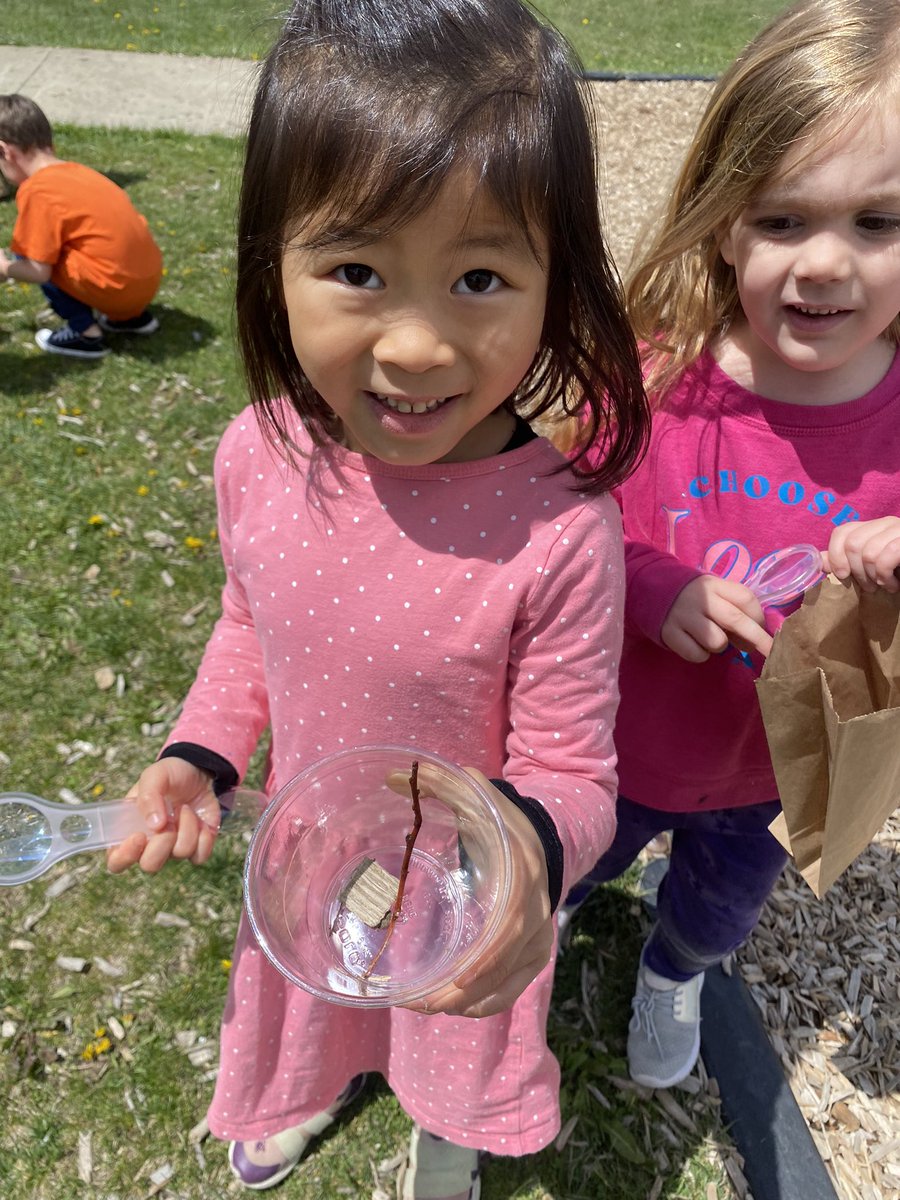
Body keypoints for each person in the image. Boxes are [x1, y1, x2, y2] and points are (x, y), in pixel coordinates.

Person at [106, 1, 650, 1195]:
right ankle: (311, 1092)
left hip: (466, 901)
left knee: (447, 1045)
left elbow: (574, 775)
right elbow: (251, 620)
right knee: (319, 1009)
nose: (413, 345)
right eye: (356, 270)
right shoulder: (256, 452)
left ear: (558, 285)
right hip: (309, 864)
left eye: (479, 277)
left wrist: (528, 860)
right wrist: (201, 752)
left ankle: (445, 1144)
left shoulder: (560, 530)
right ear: (273, 265)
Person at [559, 0, 900, 1093]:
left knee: (718, 908)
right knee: (555, 872)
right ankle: (532, 944)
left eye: (878, 223)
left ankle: (675, 972)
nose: (828, 266)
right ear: (719, 217)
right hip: (603, 741)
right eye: (783, 218)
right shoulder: (656, 374)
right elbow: (560, 518)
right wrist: (651, 581)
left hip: (772, 772)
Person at [0, 93, 162, 360]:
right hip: (146, 282)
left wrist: (5, 268)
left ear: (6, 151)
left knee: (28, 253)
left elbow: (39, 272)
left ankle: (85, 335)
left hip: (117, 289)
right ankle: (130, 319)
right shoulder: (79, 172)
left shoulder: (37, 190)